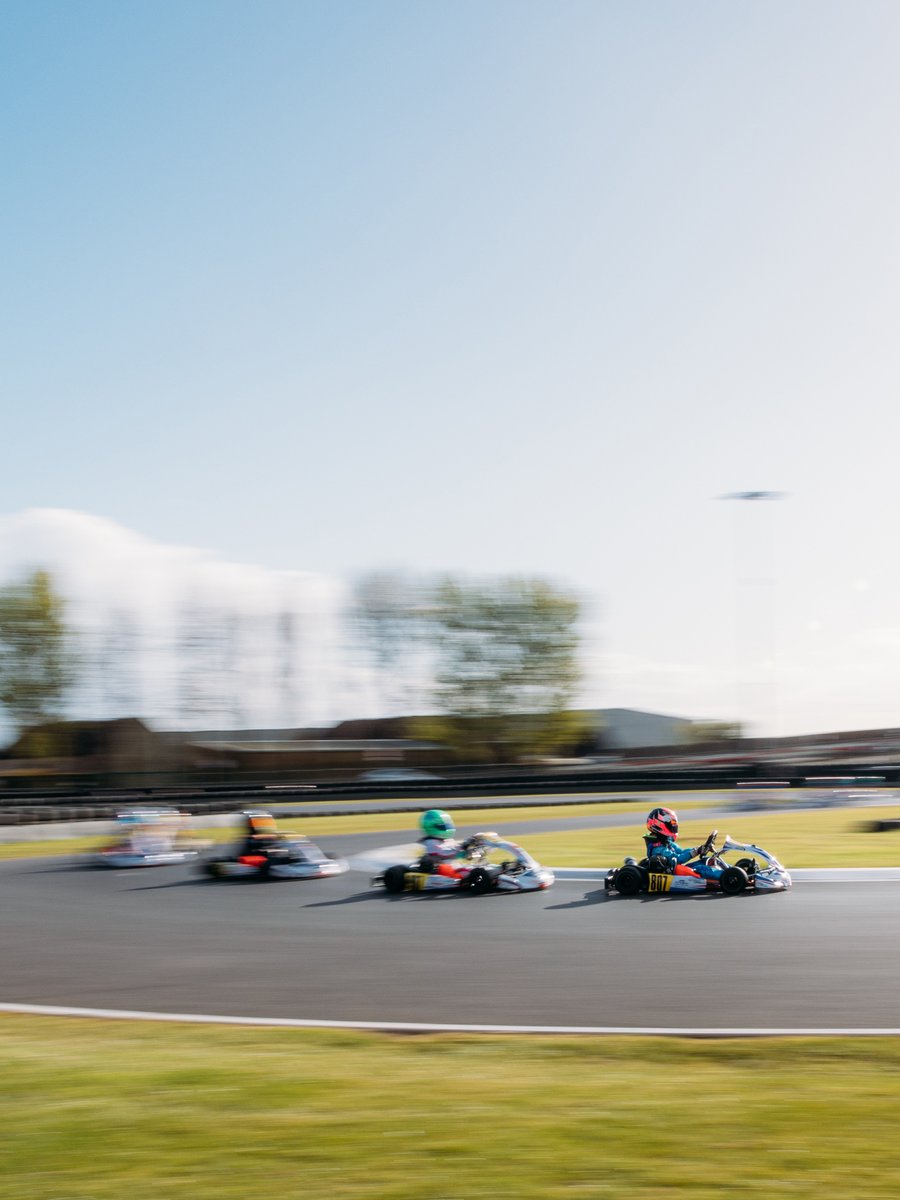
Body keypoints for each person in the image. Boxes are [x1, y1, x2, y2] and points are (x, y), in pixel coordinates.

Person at [642, 806, 723, 881]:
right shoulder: (657, 847)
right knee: (700, 869)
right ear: (659, 824)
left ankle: (730, 870)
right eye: (672, 824)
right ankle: (726, 876)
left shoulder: (665, 841)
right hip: (672, 874)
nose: (673, 826)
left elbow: (681, 852)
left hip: (676, 870)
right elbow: (677, 859)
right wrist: (696, 851)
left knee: (707, 861)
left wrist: (700, 849)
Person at [418, 809, 470, 877]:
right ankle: (468, 877)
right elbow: (443, 851)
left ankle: (471, 875)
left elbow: (456, 853)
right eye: (443, 826)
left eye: (447, 826)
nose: (446, 828)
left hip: (452, 865)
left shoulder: (447, 840)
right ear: (430, 827)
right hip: (437, 869)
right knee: (447, 866)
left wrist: (467, 851)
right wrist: (462, 847)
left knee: (470, 867)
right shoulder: (429, 842)